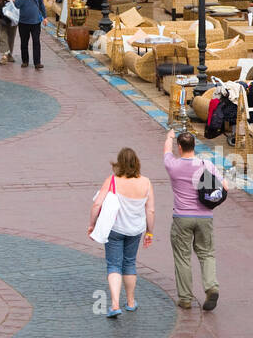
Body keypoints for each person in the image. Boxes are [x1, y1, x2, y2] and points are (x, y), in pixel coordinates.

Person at [87, 148, 155, 318]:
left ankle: (115, 304)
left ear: (119, 163)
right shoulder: (146, 182)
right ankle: (131, 302)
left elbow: (97, 205)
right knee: (130, 263)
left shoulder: (112, 181)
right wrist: (149, 232)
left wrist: (92, 224)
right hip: (135, 230)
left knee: (113, 265)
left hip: (115, 229)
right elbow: (151, 210)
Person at [163, 130, 226, 311]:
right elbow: (225, 186)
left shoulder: (173, 166)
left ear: (180, 147)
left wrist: (169, 137)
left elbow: (166, 152)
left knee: (182, 257)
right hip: (205, 217)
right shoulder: (206, 165)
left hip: (182, 217)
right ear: (194, 147)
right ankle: (211, 286)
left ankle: (185, 298)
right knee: (206, 253)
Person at [14, 0, 47, 70]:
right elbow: (17, 5)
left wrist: (45, 17)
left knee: (36, 42)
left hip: (35, 22)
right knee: (24, 42)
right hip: (23, 22)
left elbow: (41, 5)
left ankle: (37, 62)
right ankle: (25, 61)